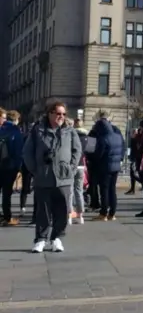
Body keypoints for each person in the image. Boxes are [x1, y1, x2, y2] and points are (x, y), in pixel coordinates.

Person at [23, 102, 82, 253]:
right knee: (43, 210)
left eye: (63, 114)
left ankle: (56, 238)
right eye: (58, 113)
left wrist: (72, 168)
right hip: (44, 176)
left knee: (62, 210)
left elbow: (77, 150)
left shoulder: (70, 131)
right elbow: (27, 152)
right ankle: (41, 239)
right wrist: (35, 170)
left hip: (64, 177)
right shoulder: (38, 130)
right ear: (50, 114)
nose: (61, 117)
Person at [91, 116, 125, 221]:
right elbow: (122, 150)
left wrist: (91, 158)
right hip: (115, 166)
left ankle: (103, 213)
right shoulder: (118, 136)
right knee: (112, 189)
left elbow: (98, 154)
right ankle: (112, 213)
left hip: (105, 167)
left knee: (104, 190)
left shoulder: (103, 138)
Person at [0, 110, 24, 226]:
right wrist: (19, 168)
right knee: (7, 193)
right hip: (10, 166)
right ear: (16, 119)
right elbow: (18, 151)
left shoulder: (1, 129)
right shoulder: (15, 131)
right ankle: (7, 217)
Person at [70, 119, 89, 225]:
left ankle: (70, 213)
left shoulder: (71, 136)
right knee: (79, 191)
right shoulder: (87, 137)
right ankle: (80, 215)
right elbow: (90, 151)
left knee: (70, 191)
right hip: (82, 165)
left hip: (72, 165)